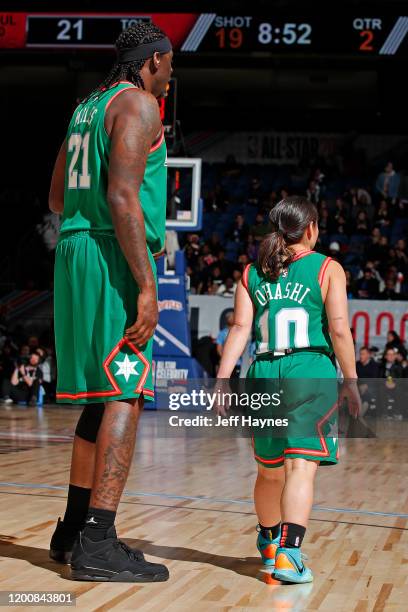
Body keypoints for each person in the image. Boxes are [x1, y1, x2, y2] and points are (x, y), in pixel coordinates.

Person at [48, 22, 173, 582]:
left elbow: (56, 196)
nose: (171, 75)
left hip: (74, 252)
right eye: (169, 63)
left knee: (99, 397)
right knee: (126, 389)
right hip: (109, 258)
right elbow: (123, 194)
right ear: (150, 62)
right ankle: (98, 540)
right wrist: (146, 286)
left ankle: (73, 530)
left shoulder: (86, 109)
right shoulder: (140, 105)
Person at [215, 196, 360, 583]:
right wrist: (351, 380)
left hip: (262, 369)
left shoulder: (251, 272)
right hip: (308, 369)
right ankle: (289, 555)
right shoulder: (328, 268)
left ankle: (267, 542)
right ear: (310, 228)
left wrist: (222, 378)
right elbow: (341, 329)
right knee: (299, 467)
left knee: (268, 470)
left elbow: (240, 329)